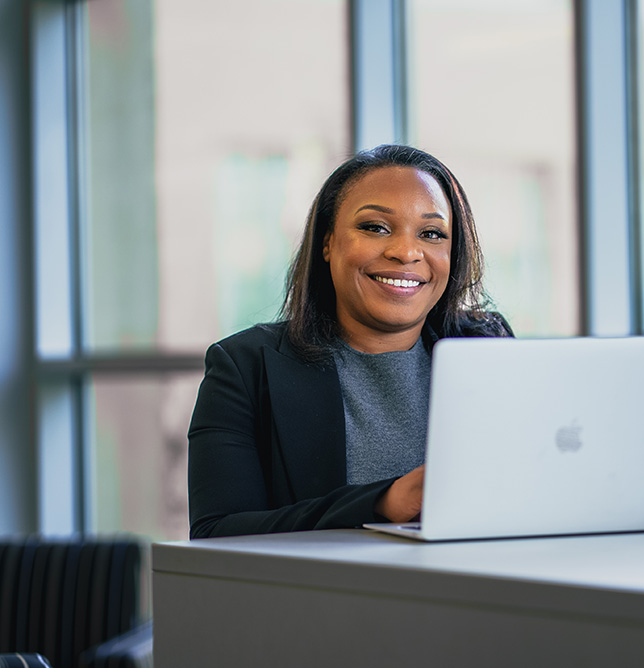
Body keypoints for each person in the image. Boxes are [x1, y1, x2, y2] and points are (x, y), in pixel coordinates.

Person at [187, 145, 512, 538]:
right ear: (327, 242)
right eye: (375, 227)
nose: (406, 252)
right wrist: (383, 503)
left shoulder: (490, 351)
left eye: (431, 233)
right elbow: (217, 532)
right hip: (327, 598)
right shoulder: (244, 366)